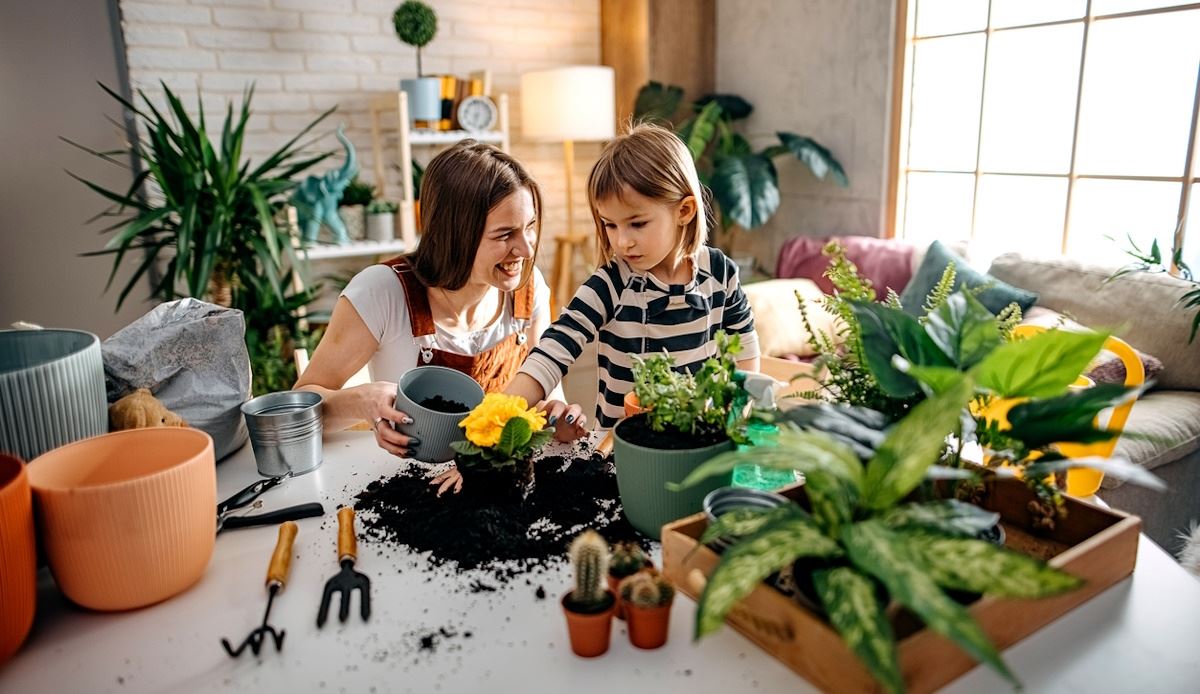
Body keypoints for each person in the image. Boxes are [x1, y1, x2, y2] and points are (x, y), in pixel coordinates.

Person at [294, 140, 559, 486]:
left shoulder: (528, 286)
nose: (525, 249)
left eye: (530, 226)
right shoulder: (381, 292)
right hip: (411, 487)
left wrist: (558, 415)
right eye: (505, 234)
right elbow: (297, 410)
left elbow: (548, 398)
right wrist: (361, 403)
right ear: (455, 235)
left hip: (501, 485)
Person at [509, 122, 760, 431]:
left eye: (637, 224)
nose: (621, 241)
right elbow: (554, 349)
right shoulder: (610, 285)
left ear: (684, 211)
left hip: (698, 439)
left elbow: (745, 350)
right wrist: (502, 410)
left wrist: (739, 415)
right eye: (610, 225)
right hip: (621, 449)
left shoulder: (720, 272)